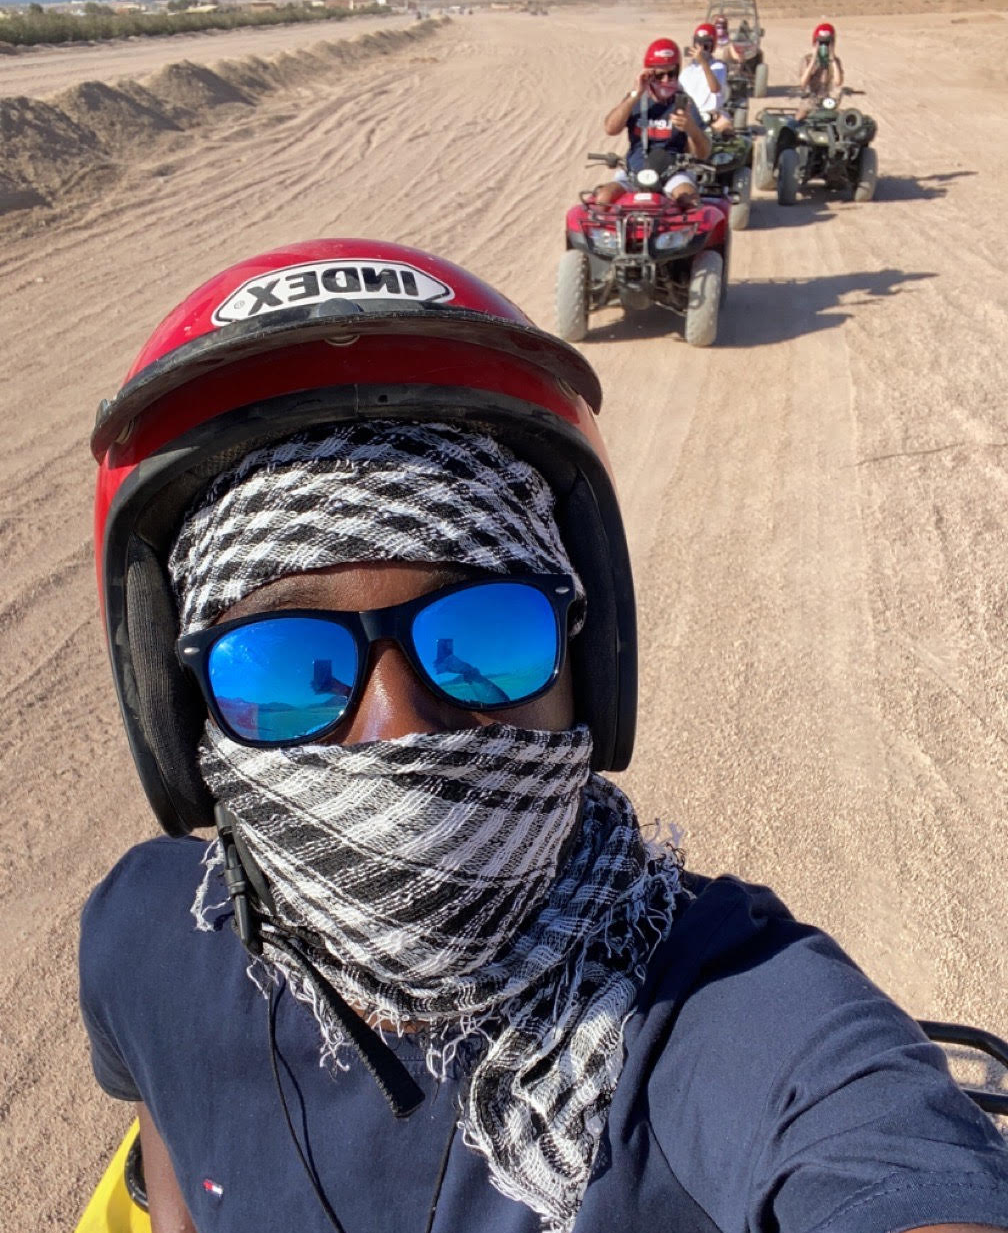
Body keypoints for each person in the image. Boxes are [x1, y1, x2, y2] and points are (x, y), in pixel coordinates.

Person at [79, 237, 1008, 1233]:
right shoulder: (147, 942)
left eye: (482, 635)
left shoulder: (721, 1013)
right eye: (282, 665)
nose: (393, 729)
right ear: (186, 722)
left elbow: (881, 1156)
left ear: (584, 669)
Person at [595, 37, 710, 205]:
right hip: (634, 172)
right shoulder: (635, 100)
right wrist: (635, 93)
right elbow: (610, 129)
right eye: (659, 75)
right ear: (648, 74)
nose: (665, 80)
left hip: (673, 174)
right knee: (603, 198)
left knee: (689, 201)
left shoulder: (686, 104)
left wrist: (691, 128)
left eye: (671, 74)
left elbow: (703, 153)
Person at [679, 22, 733, 134]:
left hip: (711, 118)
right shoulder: (687, 72)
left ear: (712, 47)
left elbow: (715, 88)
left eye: (706, 46)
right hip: (692, 117)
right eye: (698, 45)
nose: (701, 50)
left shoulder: (718, 67)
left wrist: (703, 63)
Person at [798, 21, 845, 114]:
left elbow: (838, 82)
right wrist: (813, 60)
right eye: (821, 42)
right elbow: (803, 83)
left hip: (827, 101)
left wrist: (832, 60)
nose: (824, 46)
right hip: (809, 102)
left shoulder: (835, 61)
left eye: (827, 43)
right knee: (797, 121)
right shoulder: (807, 59)